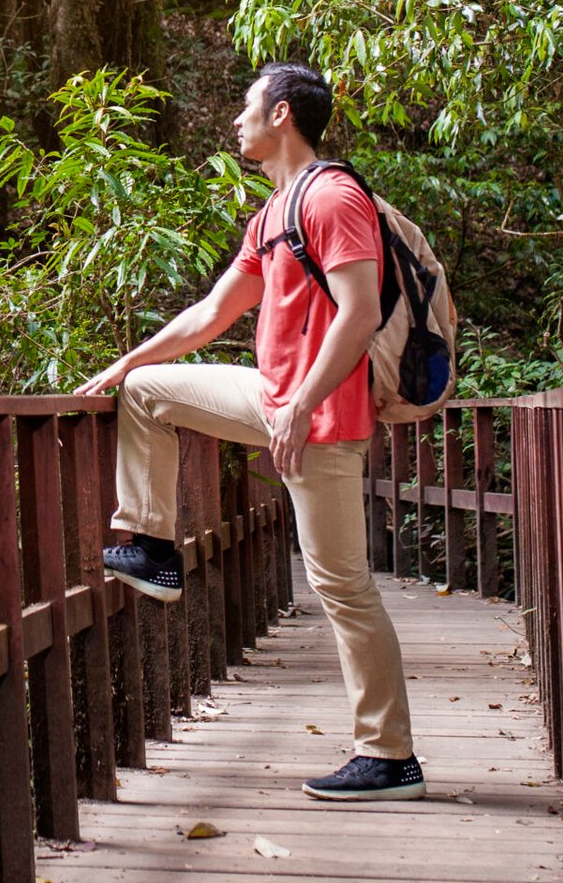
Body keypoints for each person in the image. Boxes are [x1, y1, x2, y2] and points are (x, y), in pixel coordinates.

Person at [77, 61, 424, 801]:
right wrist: (124, 361)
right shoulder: (272, 216)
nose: (237, 120)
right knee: (147, 392)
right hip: (275, 402)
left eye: (247, 107)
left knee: (343, 587)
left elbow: (359, 313)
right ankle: (150, 546)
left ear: (282, 116)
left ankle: (390, 756)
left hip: (323, 421)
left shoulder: (333, 197)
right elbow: (210, 316)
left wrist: (302, 405)